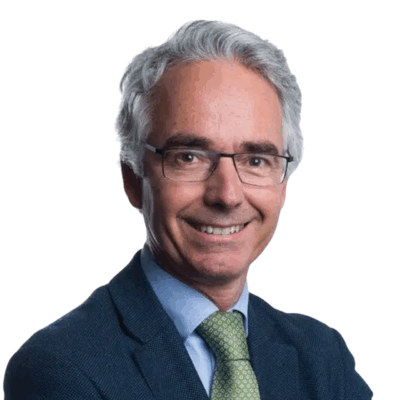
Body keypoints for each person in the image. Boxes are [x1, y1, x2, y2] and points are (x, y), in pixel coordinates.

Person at [4, 20, 372, 399]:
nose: (227, 195)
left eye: (256, 160)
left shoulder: (322, 358)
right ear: (133, 178)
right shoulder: (61, 369)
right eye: (189, 157)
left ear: (282, 185)